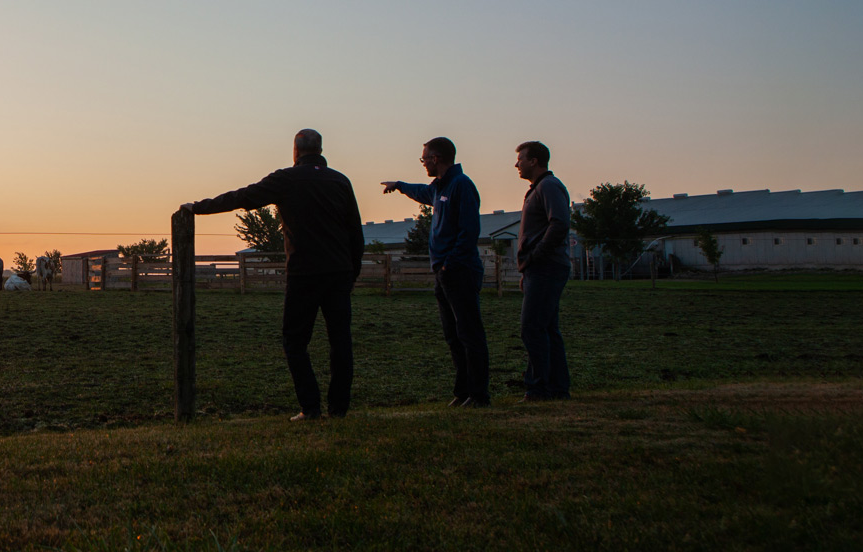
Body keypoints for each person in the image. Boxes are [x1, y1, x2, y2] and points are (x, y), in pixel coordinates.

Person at [182, 129, 364, 421]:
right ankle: (339, 408)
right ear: (320, 149)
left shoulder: (287, 179)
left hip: (305, 272)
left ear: (295, 151)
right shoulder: (340, 181)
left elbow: (243, 197)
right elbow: (355, 230)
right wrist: (352, 272)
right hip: (339, 272)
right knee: (340, 341)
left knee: (295, 341)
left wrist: (199, 208)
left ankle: (311, 407)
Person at [381, 137, 491, 408]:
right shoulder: (441, 187)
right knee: (453, 334)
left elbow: (469, 232)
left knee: (469, 333)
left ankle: (479, 394)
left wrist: (448, 263)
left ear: (437, 158)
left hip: (459, 271)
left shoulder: (461, 186)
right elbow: (423, 192)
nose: (423, 163)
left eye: (424, 158)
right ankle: (463, 391)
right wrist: (400, 186)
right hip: (445, 273)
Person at [514, 141, 572, 401]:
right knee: (547, 328)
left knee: (532, 328)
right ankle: (557, 388)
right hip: (539, 269)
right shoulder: (539, 189)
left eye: (521, 159)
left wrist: (536, 257)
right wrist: (527, 270)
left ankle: (539, 388)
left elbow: (559, 223)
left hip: (547, 267)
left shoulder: (548, 186)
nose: (517, 164)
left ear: (534, 161)